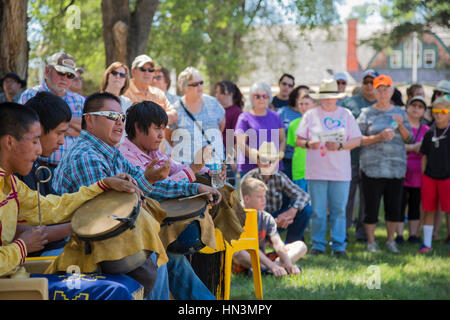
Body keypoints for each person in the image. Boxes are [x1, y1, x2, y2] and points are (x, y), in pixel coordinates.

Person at [51, 92, 220, 300]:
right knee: (158, 257)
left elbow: (147, 185)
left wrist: (195, 189)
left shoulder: (109, 152)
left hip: (103, 238)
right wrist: (184, 174)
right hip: (81, 245)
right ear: (90, 119)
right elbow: (104, 215)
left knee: (162, 256)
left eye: (122, 118)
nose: (120, 123)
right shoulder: (86, 156)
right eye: (111, 116)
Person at [0, 102, 141, 277]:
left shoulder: (11, 183)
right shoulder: (84, 155)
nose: (39, 149)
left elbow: (51, 208)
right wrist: (22, 247)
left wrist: (103, 184)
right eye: (35, 141)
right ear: (10, 142)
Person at [296, 78, 362, 256]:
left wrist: (340, 146)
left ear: (337, 97)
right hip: (316, 171)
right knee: (317, 211)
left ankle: (339, 245)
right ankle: (318, 245)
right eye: (324, 97)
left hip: (340, 172)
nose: (327, 100)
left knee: (339, 210)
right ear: (319, 98)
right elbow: (298, 140)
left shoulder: (346, 114)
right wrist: (310, 144)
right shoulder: (310, 115)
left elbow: (357, 139)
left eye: (331, 97)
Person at [357, 75, 413, 253]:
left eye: (385, 89)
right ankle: (371, 242)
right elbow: (358, 140)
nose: (382, 93)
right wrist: (378, 137)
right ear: (373, 91)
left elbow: (409, 138)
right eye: (378, 89)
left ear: (392, 90)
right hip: (371, 169)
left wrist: (401, 125)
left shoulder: (400, 113)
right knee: (371, 207)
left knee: (394, 207)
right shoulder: (366, 113)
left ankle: (390, 241)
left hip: (395, 169)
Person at [14, 92, 73, 257]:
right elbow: (12, 230)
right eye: (59, 133)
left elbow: (51, 207)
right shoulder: (13, 173)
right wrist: (76, 227)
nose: (62, 141)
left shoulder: (36, 166)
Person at [20, 51, 85, 167]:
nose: (65, 78)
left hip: (70, 169)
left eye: (70, 75)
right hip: (37, 165)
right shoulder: (31, 95)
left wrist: (53, 126)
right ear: (47, 71)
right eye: (61, 72)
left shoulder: (80, 100)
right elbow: (25, 131)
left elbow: (88, 133)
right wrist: (74, 128)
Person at [241, 141, 312, 244]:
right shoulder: (249, 178)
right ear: (258, 160)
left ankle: (291, 244)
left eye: (272, 160)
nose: (268, 164)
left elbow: (304, 195)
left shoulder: (279, 176)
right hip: (255, 220)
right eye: (264, 159)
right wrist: (272, 222)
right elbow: (244, 209)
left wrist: (292, 211)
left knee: (305, 209)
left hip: (278, 218)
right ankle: (264, 246)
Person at [234, 177, 306, 277]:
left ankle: (266, 270)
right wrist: (272, 266)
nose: (264, 200)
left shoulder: (266, 217)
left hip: (263, 259)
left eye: (264, 196)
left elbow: (277, 243)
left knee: (301, 246)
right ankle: (272, 269)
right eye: (259, 197)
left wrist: (288, 264)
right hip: (245, 258)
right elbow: (250, 247)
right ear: (246, 199)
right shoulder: (237, 216)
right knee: (238, 253)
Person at [341, 69, 379, 241]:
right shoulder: (351, 103)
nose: (369, 85)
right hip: (351, 157)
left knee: (367, 197)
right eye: (366, 82)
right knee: (347, 198)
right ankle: (342, 232)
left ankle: (363, 233)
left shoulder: (382, 103)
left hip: (373, 158)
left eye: (373, 82)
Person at [167, 67, 225, 168]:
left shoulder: (213, 103)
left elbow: (221, 125)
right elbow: (168, 135)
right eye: (195, 84)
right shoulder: (176, 108)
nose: (199, 86)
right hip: (187, 165)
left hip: (213, 163)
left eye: (201, 82)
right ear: (184, 87)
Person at [395, 96, 429, 245]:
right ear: (407, 107)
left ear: (424, 111)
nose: (416, 108)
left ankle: (414, 234)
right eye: (413, 105)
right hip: (401, 170)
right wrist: (412, 148)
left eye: (420, 106)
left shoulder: (427, 130)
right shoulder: (400, 126)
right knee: (399, 203)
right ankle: (399, 234)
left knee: (415, 204)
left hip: (419, 174)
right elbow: (393, 146)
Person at [418, 96, 450, 253]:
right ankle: (427, 244)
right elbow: (424, 155)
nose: (439, 115)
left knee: (449, 210)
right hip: (430, 177)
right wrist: (424, 175)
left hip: (447, 178)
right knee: (429, 209)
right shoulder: (429, 134)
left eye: (443, 111)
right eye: (436, 111)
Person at [235, 81, 286, 176]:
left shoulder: (276, 116)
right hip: (250, 169)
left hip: (274, 168)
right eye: (257, 96)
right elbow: (241, 143)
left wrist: (277, 158)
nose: (261, 99)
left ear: (269, 97)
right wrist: (258, 161)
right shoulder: (244, 118)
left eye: (265, 96)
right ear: (251, 98)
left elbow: (282, 140)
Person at [123, 54, 177, 125]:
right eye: (143, 69)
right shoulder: (124, 91)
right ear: (133, 72)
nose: (147, 73)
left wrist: (153, 120)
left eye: (151, 70)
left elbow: (174, 116)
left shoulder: (158, 93)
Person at [215, 80, 244, 185]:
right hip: (215, 155)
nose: (216, 95)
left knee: (228, 188)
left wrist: (231, 158)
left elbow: (238, 139)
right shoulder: (217, 111)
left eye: (219, 92)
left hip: (228, 157)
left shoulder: (237, 113)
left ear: (229, 94)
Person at [286, 93, 317, 192]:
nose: (303, 107)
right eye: (301, 104)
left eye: (307, 104)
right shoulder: (293, 124)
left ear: (314, 105)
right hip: (299, 169)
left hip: (317, 170)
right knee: (301, 202)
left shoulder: (319, 123)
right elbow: (294, 146)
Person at [278, 86, 305, 179]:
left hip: (304, 162)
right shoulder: (282, 112)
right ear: (296, 99)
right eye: (302, 97)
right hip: (286, 158)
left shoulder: (312, 117)